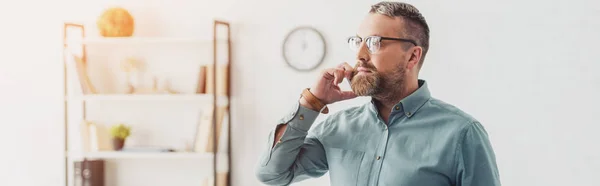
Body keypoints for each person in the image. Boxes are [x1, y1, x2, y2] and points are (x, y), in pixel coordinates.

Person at [255, 1, 501, 186]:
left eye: (374, 42)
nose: (360, 54)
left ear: (412, 56)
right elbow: (272, 174)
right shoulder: (338, 127)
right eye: (357, 41)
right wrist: (312, 102)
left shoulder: (462, 134)